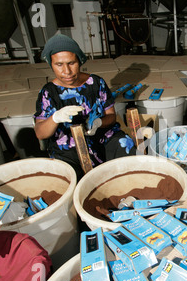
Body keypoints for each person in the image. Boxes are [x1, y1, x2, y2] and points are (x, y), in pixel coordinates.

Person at [34, 34, 135, 179]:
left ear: (79, 60)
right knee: (68, 177)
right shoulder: (49, 92)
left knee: (126, 146)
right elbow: (40, 133)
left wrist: (99, 123)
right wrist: (55, 118)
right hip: (68, 146)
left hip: (100, 137)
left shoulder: (95, 83)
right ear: (51, 64)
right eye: (59, 65)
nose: (67, 71)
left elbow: (111, 116)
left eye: (71, 63)